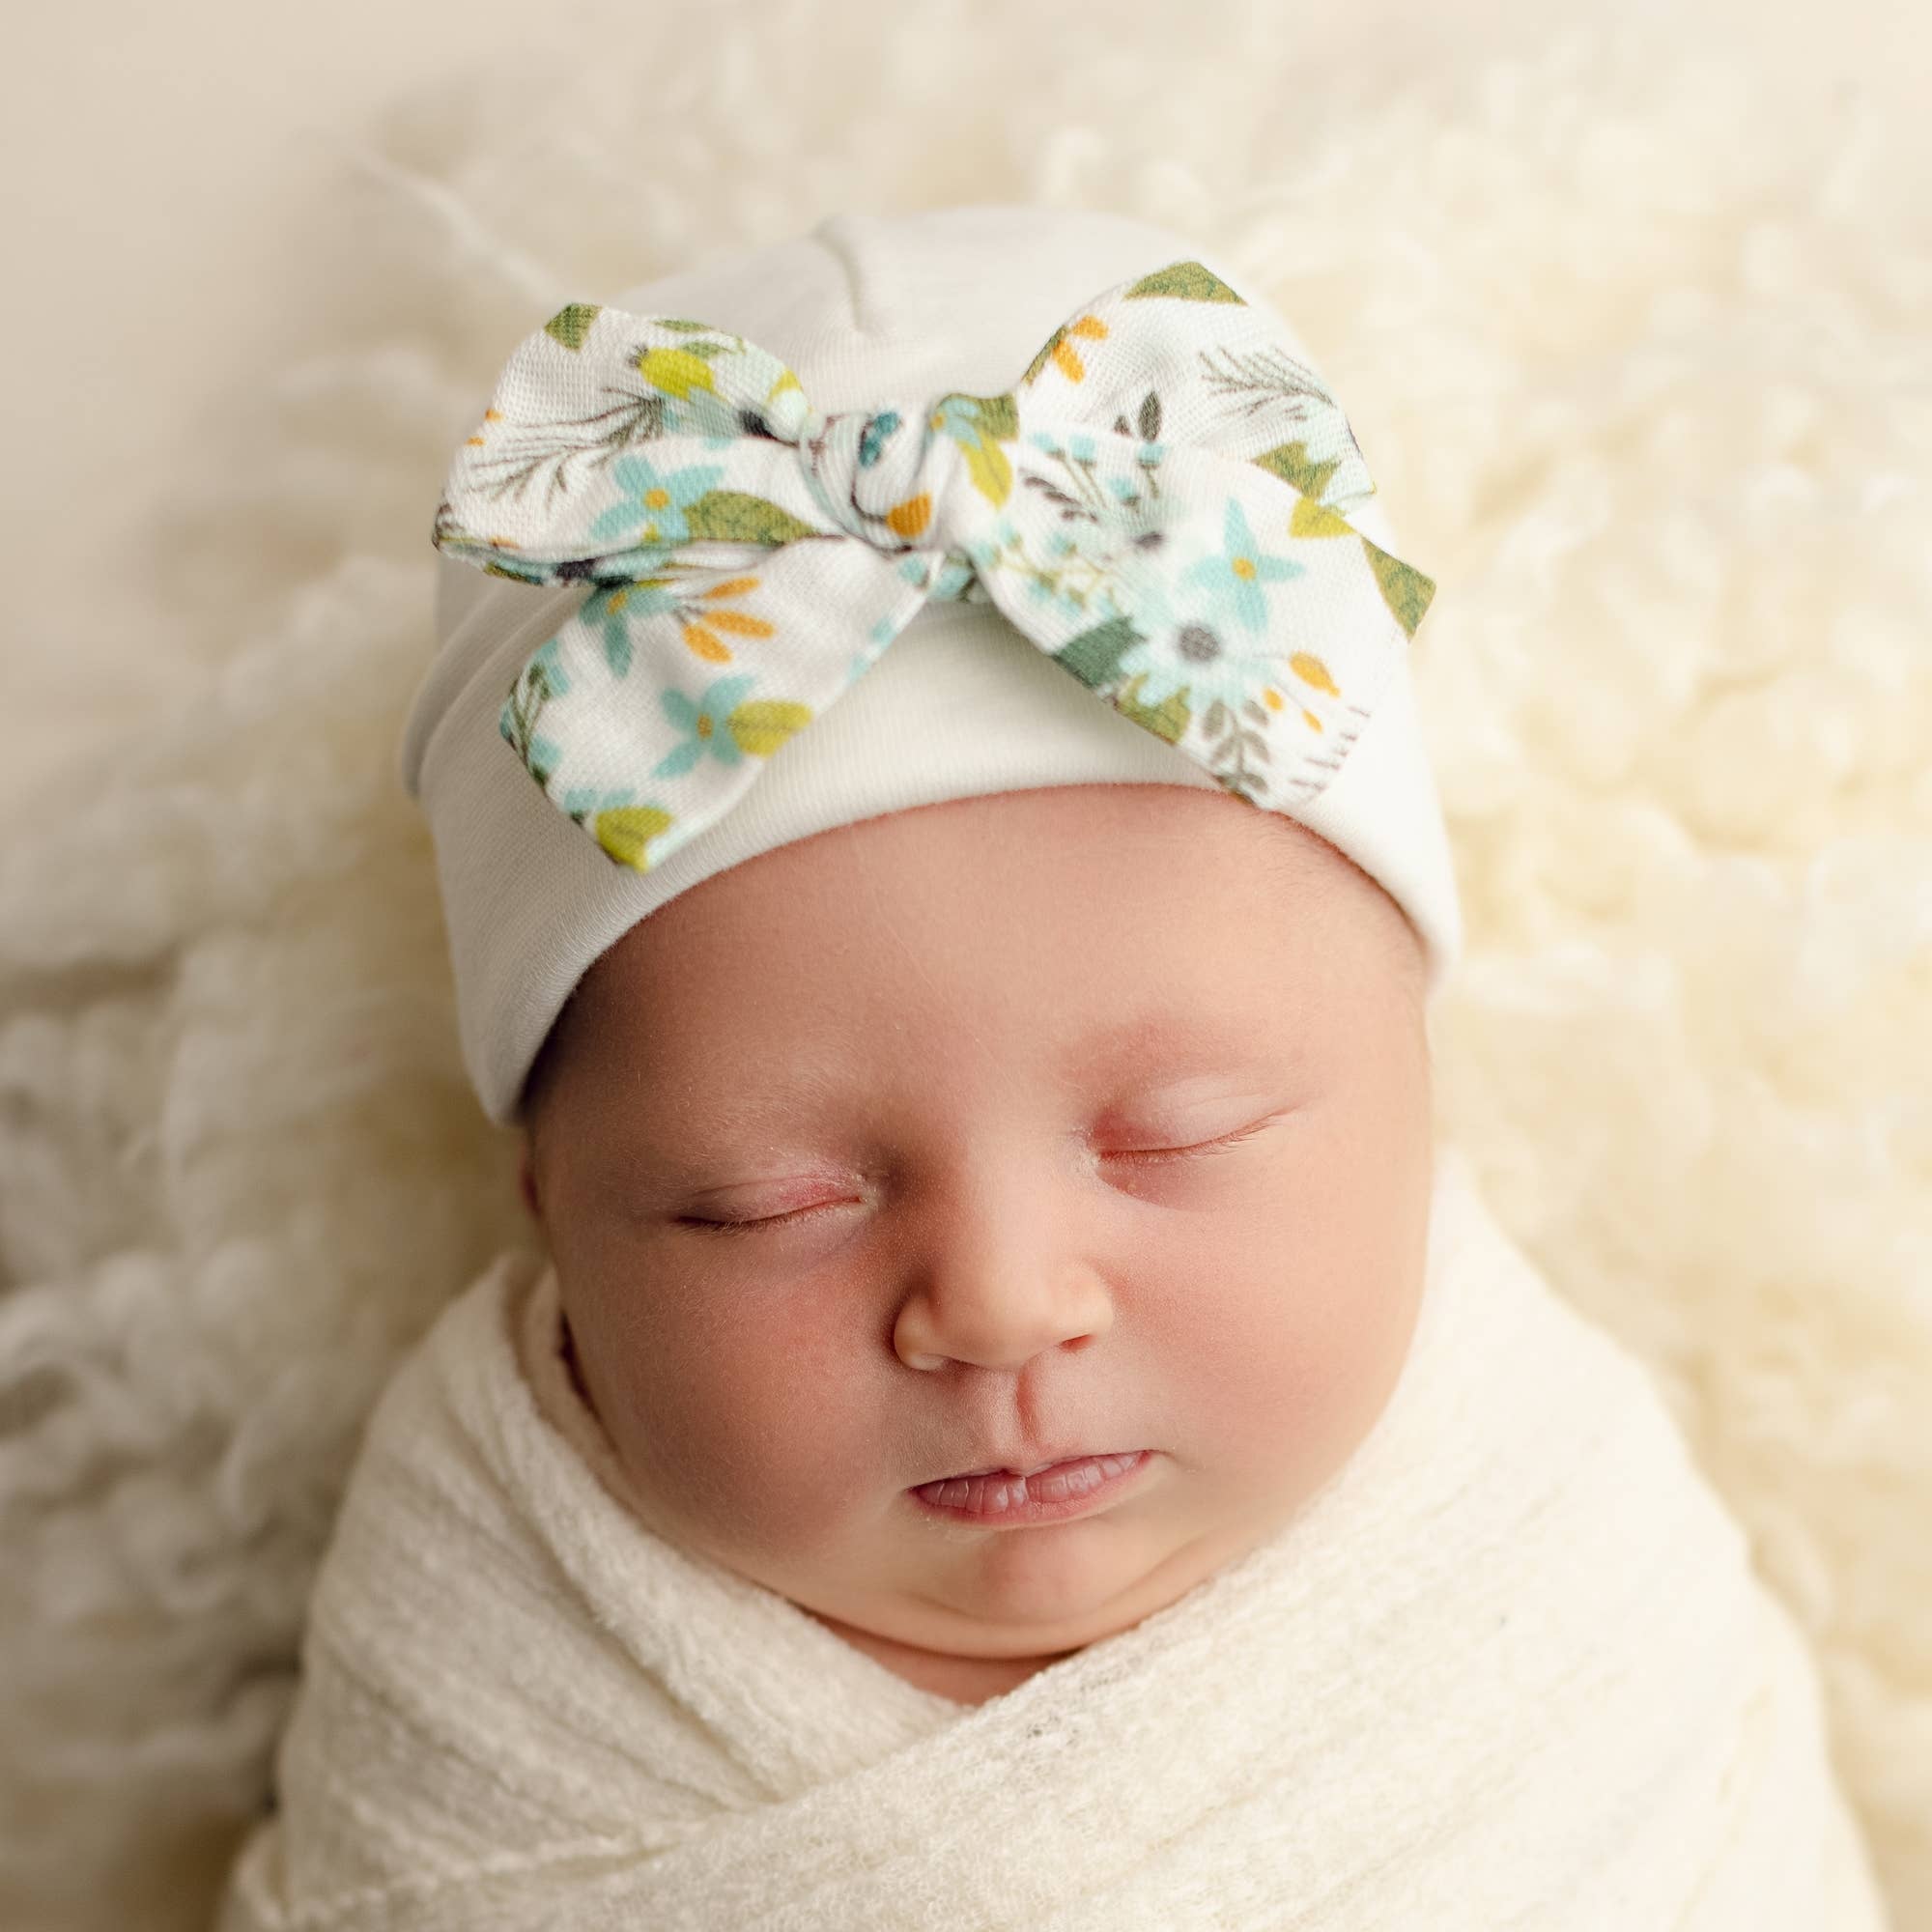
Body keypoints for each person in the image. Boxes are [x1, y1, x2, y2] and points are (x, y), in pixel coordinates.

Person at [215, 202, 1889, 1930]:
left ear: (1417, 1093)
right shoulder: (476, 1645)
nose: (1002, 1305)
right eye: (767, 1202)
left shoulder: (1563, 1549)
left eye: (1179, 1136)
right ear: (548, 1208)